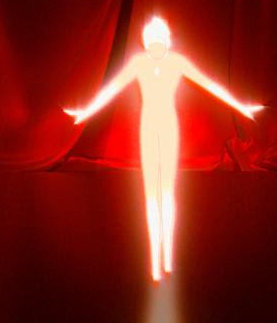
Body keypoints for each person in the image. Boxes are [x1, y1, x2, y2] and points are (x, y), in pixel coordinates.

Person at [64, 17, 263, 281]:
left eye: (160, 39)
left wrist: (241, 106)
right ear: (146, 42)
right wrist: (86, 112)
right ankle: (155, 261)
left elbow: (210, 85)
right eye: (152, 40)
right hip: (148, 127)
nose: (156, 45)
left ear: (167, 40)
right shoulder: (138, 63)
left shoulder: (176, 62)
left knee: (167, 193)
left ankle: (167, 256)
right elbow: (111, 90)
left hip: (168, 127)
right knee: (151, 194)